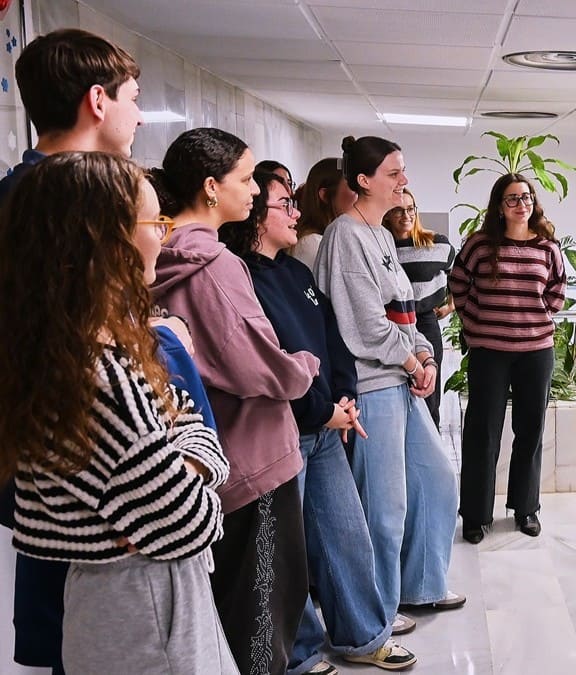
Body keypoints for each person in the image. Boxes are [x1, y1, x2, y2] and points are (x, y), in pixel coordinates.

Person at [0, 151, 236, 673]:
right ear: (102, 240)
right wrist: (189, 471)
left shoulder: (63, 349)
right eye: (155, 222)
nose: (165, 235)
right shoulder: (101, 377)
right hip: (145, 611)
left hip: (121, 599)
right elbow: (192, 523)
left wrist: (182, 464)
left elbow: (194, 432)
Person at [220, 171, 416, 672]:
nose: (297, 213)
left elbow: (331, 339)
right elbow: (268, 364)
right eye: (285, 204)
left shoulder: (295, 273)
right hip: (284, 432)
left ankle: (363, 636)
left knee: (346, 536)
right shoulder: (240, 279)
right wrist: (321, 410)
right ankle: (301, 652)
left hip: (328, 425)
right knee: (289, 552)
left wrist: (344, 398)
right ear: (257, 216)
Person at [150, 127, 321, 675]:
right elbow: (258, 366)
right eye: (246, 179)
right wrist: (305, 369)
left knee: (235, 612)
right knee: (263, 623)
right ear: (209, 187)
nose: (254, 191)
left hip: (217, 458)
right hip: (256, 464)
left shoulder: (161, 259)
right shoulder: (215, 265)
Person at [0, 27, 143, 675]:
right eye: (133, 98)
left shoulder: (28, 189)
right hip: (76, 479)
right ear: (97, 100)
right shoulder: (49, 201)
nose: (138, 114)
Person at [314, 135, 461, 637]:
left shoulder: (378, 234)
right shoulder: (345, 236)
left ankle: (421, 584)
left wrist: (422, 353)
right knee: (384, 505)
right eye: (395, 173)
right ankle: (377, 608)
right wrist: (410, 358)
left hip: (400, 376)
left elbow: (406, 310)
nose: (405, 181)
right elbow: (364, 324)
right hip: (373, 384)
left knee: (437, 479)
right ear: (363, 180)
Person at [448, 173, 567, 544]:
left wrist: (538, 317)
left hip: (536, 352)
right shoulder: (480, 245)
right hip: (489, 352)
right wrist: (473, 322)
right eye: (512, 199)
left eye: (526, 197)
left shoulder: (548, 246)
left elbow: (557, 291)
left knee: (530, 431)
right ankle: (475, 514)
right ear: (499, 206)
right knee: (483, 433)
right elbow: (458, 285)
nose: (521, 205)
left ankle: (525, 508)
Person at [384, 187, 456, 428]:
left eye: (410, 209)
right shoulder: (382, 246)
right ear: (387, 213)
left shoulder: (437, 244)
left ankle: (431, 443)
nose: (406, 215)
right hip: (389, 321)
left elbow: (459, 276)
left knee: (428, 388)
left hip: (425, 321)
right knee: (398, 386)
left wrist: (450, 306)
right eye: (398, 210)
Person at [293, 157, 357, 272]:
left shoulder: (335, 237)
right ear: (325, 195)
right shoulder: (312, 243)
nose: (359, 195)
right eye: (353, 187)